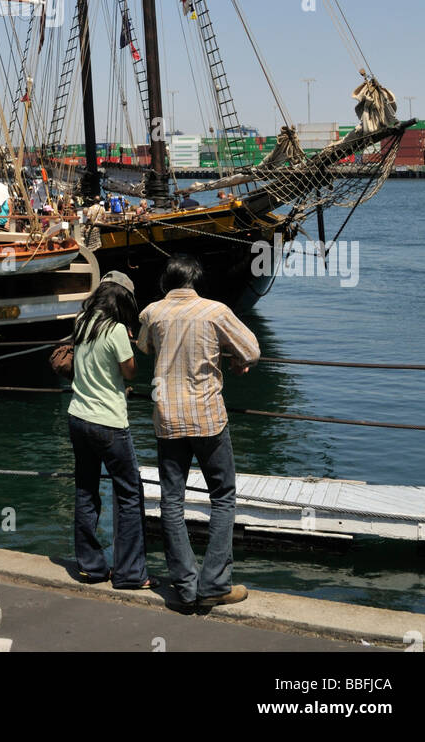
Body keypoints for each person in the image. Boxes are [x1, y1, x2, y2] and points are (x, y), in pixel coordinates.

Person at [136, 254, 260, 611]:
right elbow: (251, 350)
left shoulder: (152, 313)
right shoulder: (215, 311)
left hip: (168, 419)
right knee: (222, 496)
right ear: (195, 281)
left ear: (167, 281)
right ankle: (215, 583)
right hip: (207, 417)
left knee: (171, 501)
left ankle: (186, 587)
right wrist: (232, 358)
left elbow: (145, 346)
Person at [67, 272, 149, 590]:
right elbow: (130, 372)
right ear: (122, 300)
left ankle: (91, 567)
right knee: (129, 494)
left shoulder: (81, 321)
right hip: (109, 422)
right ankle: (129, 573)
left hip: (77, 417)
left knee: (86, 491)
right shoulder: (115, 330)